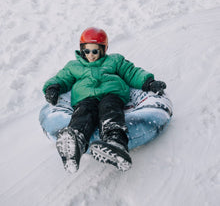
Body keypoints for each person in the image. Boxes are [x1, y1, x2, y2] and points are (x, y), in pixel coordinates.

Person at [43, 27, 166, 173]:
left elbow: (131, 72)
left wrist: (149, 82)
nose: (91, 55)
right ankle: (76, 141)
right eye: (87, 51)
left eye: (95, 51)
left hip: (112, 94)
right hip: (85, 97)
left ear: (103, 49)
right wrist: (53, 87)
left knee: (110, 110)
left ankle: (116, 143)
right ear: (81, 49)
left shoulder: (114, 60)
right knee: (83, 113)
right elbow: (62, 78)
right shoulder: (73, 66)